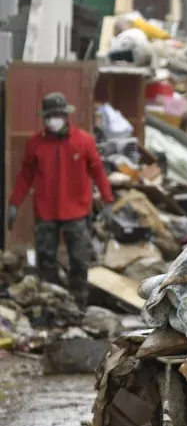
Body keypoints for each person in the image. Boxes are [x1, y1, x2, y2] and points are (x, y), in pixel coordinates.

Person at [7, 92, 113, 309]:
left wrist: (108, 200)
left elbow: (98, 172)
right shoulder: (35, 144)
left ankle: (78, 305)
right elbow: (25, 176)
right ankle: (51, 304)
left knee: (79, 260)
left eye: (57, 115)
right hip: (46, 212)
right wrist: (13, 204)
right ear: (44, 118)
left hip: (77, 211)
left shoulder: (84, 141)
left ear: (66, 116)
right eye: (49, 116)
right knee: (45, 261)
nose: (53, 119)